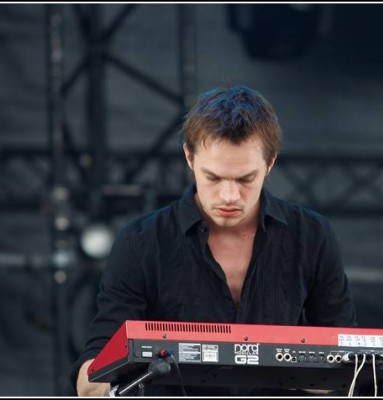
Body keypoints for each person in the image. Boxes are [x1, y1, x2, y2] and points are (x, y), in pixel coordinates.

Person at [72, 85, 357, 396]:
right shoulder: (141, 242)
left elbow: (346, 365)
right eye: (214, 177)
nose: (229, 196)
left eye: (246, 179)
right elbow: (96, 369)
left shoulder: (312, 236)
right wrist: (98, 387)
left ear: (270, 163)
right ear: (189, 158)